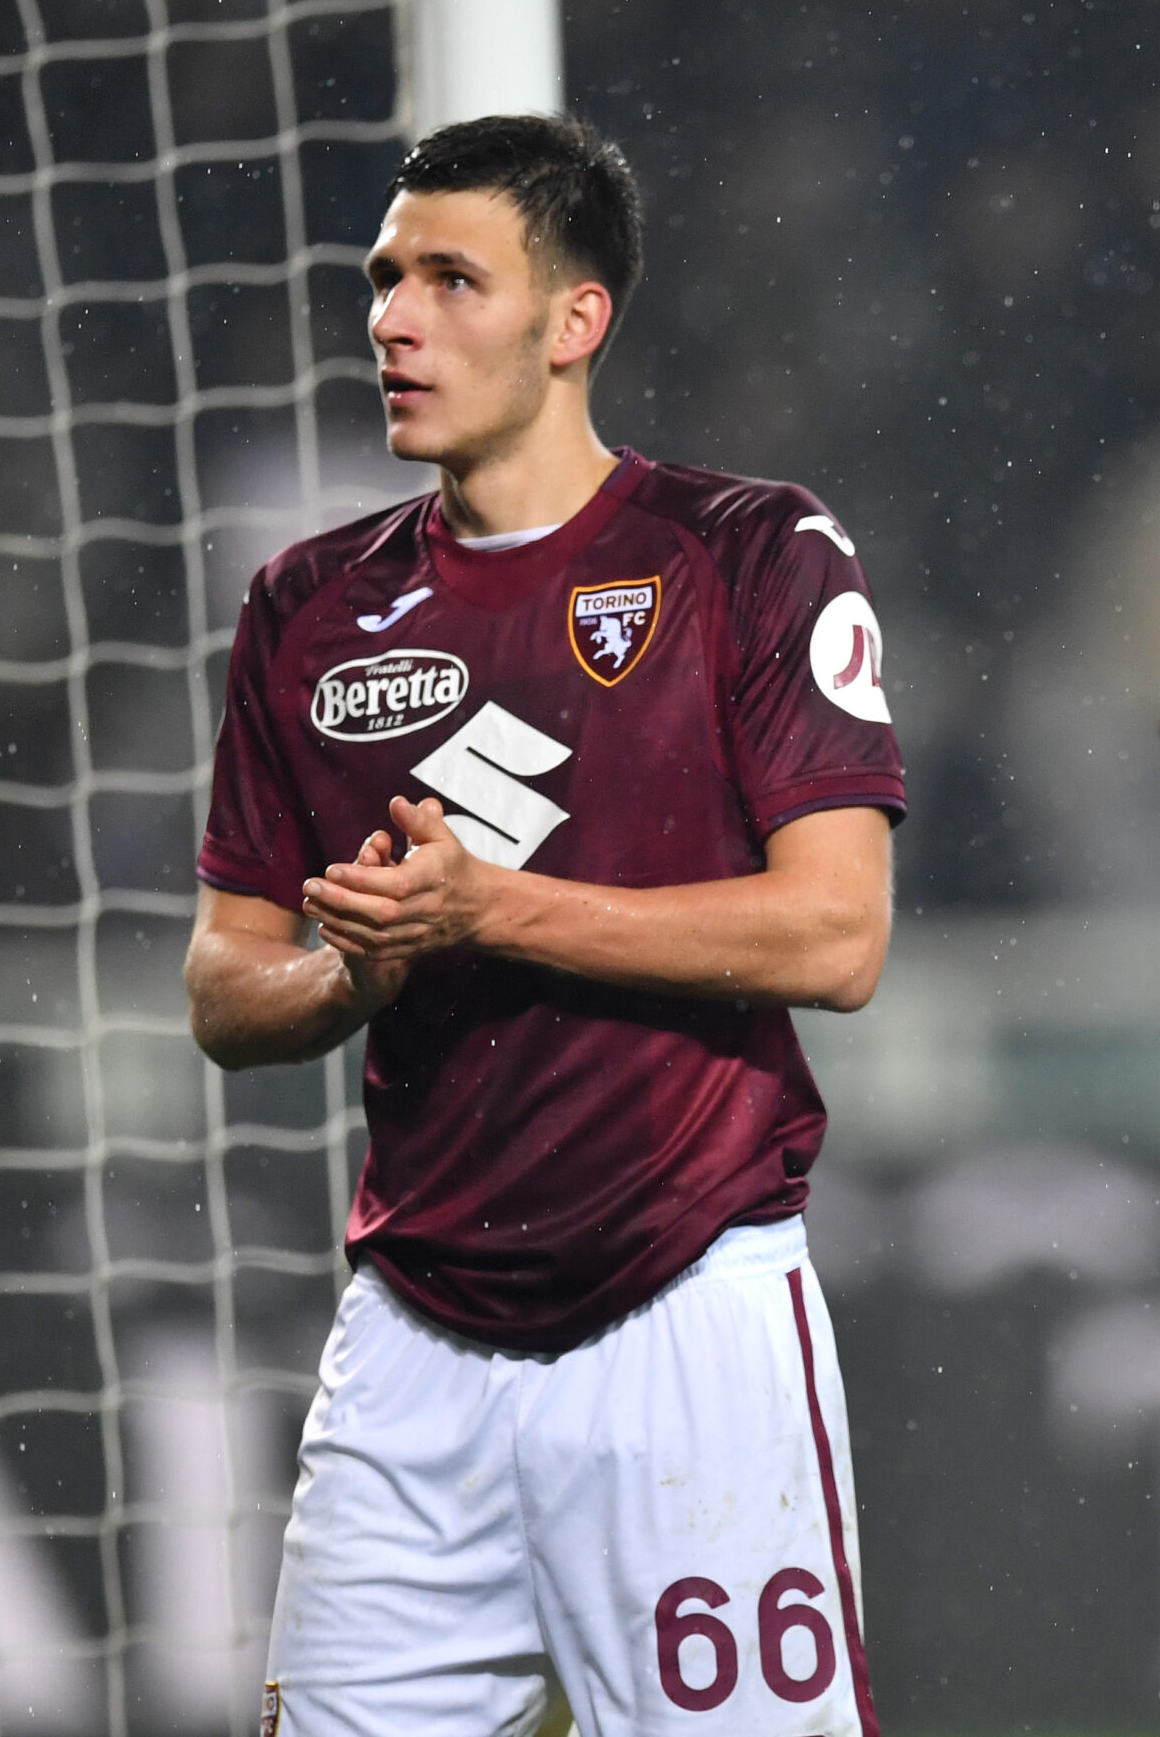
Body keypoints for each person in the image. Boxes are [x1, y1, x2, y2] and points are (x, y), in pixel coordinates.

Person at [183, 115, 900, 1737]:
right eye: (385, 279)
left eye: (452, 279)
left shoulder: (749, 551)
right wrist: (351, 976)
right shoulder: (306, 609)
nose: (394, 319)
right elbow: (225, 983)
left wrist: (490, 908)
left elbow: (836, 936)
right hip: (412, 1338)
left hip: (688, 1306)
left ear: (577, 320)